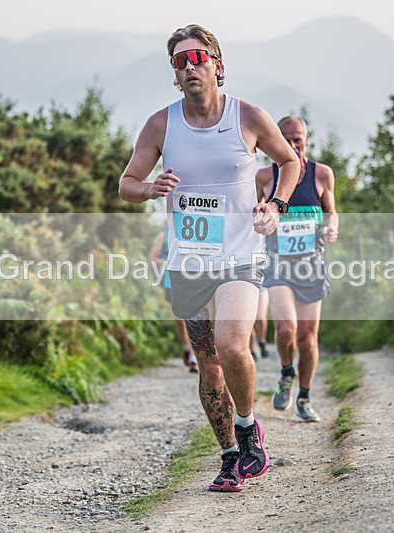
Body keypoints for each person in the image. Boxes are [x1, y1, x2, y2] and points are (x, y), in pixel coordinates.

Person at [118, 24, 299, 492]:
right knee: (209, 364)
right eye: (179, 61)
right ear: (174, 74)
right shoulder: (161, 125)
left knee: (232, 345)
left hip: (240, 254)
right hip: (190, 261)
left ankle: (248, 429)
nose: (189, 67)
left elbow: (290, 162)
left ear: (217, 65)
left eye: (197, 57)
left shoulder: (248, 117)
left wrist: (276, 206)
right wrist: (149, 188)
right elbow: (126, 184)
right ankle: (228, 456)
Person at [256, 115, 338, 422]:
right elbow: (253, 212)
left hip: (311, 266)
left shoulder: (322, 174)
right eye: (286, 139)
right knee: (286, 329)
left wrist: (331, 228)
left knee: (307, 339)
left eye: (297, 139)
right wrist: (259, 220)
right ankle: (286, 372)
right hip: (278, 264)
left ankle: (304, 397)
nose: (292, 144)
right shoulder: (265, 176)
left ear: (306, 139)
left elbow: (332, 212)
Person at [148, 228, 198, 373]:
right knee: (181, 318)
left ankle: (197, 353)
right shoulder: (164, 234)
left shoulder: (194, 230)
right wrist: (170, 263)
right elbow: (153, 257)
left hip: (194, 279)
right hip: (172, 281)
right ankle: (188, 349)